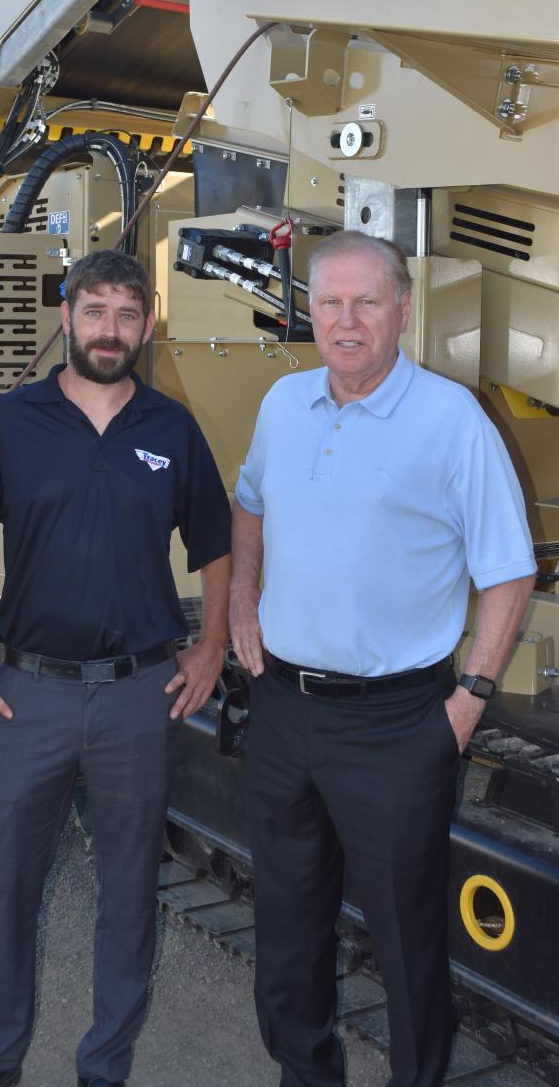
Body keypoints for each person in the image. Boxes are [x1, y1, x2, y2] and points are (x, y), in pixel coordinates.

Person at [230, 229, 535, 1087]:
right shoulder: (284, 405)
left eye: (368, 301)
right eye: (330, 302)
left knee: (406, 940)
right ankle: (307, 1073)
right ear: (311, 312)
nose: (347, 320)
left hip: (400, 723)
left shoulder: (449, 420)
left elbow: (508, 570)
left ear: (404, 310)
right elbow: (248, 504)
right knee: (287, 928)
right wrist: (241, 599)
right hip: (285, 709)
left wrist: (468, 700)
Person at [0, 249, 231, 1087]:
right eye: (94, 310)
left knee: (130, 890)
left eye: (127, 314)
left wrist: (210, 648)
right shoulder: (13, 423)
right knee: (4, 890)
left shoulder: (170, 428)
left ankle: (106, 1063)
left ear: (146, 325)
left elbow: (217, 539)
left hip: (140, 695)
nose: (109, 329)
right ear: (67, 317)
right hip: (29, 695)